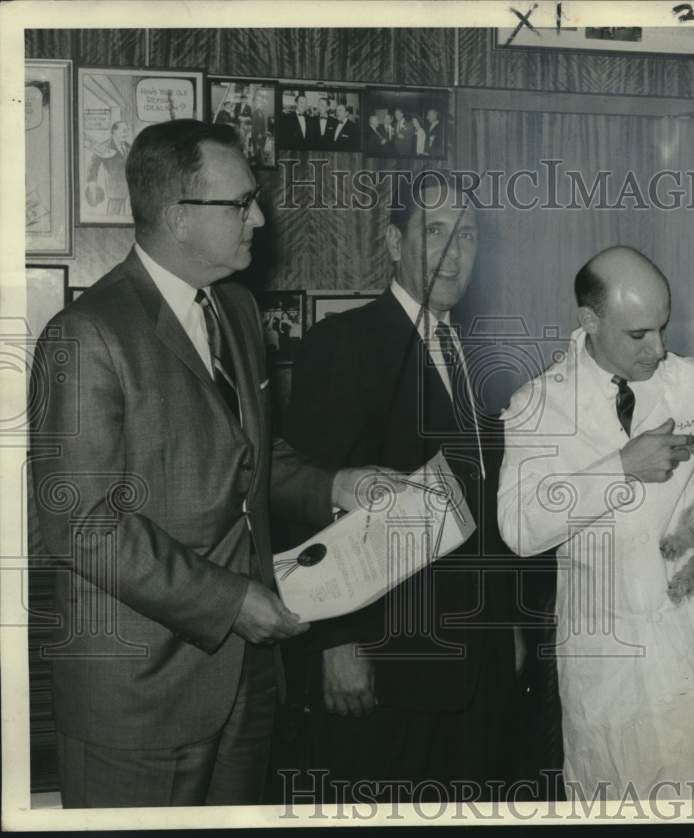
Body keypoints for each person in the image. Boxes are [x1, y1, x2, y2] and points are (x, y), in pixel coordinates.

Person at [29, 119, 392, 808]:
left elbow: (251, 459)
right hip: (138, 703)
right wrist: (229, 601)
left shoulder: (237, 310)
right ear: (176, 216)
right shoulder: (85, 336)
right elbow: (81, 524)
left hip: (247, 688)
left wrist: (337, 484)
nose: (259, 217)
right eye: (240, 203)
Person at [497, 246, 694, 801]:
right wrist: (622, 466)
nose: (659, 348)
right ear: (590, 321)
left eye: (662, 328)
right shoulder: (538, 406)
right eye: (639, 334)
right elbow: (519, 529)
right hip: (616, 664)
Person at [284, 170, 517, 803]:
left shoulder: (479, 352)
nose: (453, 252)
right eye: (434, 230)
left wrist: (508, 630)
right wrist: (336, 644)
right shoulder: (344, 344)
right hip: (385, 666)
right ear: (393, 241)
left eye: (466, 234)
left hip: (477, 668)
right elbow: (305, 501)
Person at [85, 120, 131, 216]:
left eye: (127, 131)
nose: (126, 134)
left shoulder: (128, 146)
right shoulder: (104, 146)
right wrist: (92, 184)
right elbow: (93, 166)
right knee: (113, 216)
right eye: (123, 131)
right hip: (115, 190)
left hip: (128, 190)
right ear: (114, 132)